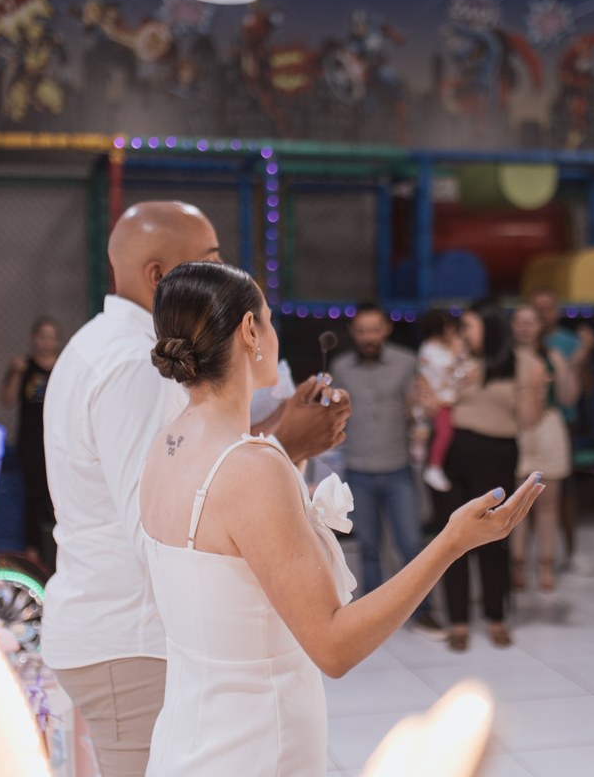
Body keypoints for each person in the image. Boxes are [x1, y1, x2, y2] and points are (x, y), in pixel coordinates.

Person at [137, 262, 544, 776]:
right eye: (267, 318)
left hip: (187, 737)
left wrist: (295, 446)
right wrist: (452, 542)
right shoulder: (253, 469)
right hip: (255, 743)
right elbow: (333, 646)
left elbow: (231, 572)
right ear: (248, 332)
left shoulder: (166, 444)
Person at [41, 201, 351, 777]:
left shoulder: (105, 341)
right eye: (211, 259)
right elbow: (161, 526)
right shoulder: (132, 364)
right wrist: (280, 445)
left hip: (121, 632)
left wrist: (279, 442)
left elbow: (192, 478)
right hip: (130, 636)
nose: (223, 271)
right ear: (161, 278)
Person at [422, 301, 548, 651]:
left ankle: (496, 617)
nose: (464, 334)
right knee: (452, 539)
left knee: (494, 538)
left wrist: (533, 388)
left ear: (491, 328)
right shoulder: (458, 362)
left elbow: (529, 419)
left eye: (470, 327)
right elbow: (438, 402)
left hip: (497, 455)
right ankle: (458, 621)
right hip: (453, 454)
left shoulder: (523, 363)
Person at [332, 303, 446, 639]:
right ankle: (372, 619)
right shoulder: (341, 367)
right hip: (358, 470)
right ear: (353, 333)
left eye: (374, 329)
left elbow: (419, 413)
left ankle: (422, 611)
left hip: (398, 469)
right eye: (362, 331)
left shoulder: (407, 362)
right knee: (367, 547)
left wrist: (422, 411)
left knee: (411, 544)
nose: (368, 337)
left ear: (386, 330)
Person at [509, 304, 579, 592]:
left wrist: (562, 368)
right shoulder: (505, 358)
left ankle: (546, 566)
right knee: (515, 506)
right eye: (519, 321)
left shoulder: (551, 357)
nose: (525, 328)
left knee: (548, 504)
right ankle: (518, 565)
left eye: (531, 322)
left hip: (548, 431)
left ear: (541, 326)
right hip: (516, 429)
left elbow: (569, 396)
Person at [529, 288, 594, 576]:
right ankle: (526, 555)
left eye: (549, 308)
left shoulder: (570, 343)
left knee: (565, 491)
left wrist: (580, 359)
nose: (544, 315)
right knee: (526, 491)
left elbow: (586, 387)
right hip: (528, 424)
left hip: (561, 423)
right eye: (538, 309)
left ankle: (571, 551)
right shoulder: (524, 343)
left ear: (557, 310)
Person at [0, 316, 61, 571]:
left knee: (57, 495)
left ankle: (59, 546)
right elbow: (6, 399)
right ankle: (33, 550)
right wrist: (15, 372)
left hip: (57, 440)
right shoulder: (24, 367)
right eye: (42, 336)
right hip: (31, 441)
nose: (46, 342)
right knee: (33, 496)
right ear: (35, 338)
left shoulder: (64, 367)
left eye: (51, 336)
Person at [416, 309, 466, 494]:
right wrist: (455, 350)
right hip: (438, 402)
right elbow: (448, 371)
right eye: (452, 329)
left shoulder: (444, 348)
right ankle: (434, 467)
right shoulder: (430, 349)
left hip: (451, 400)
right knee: (444, 432)